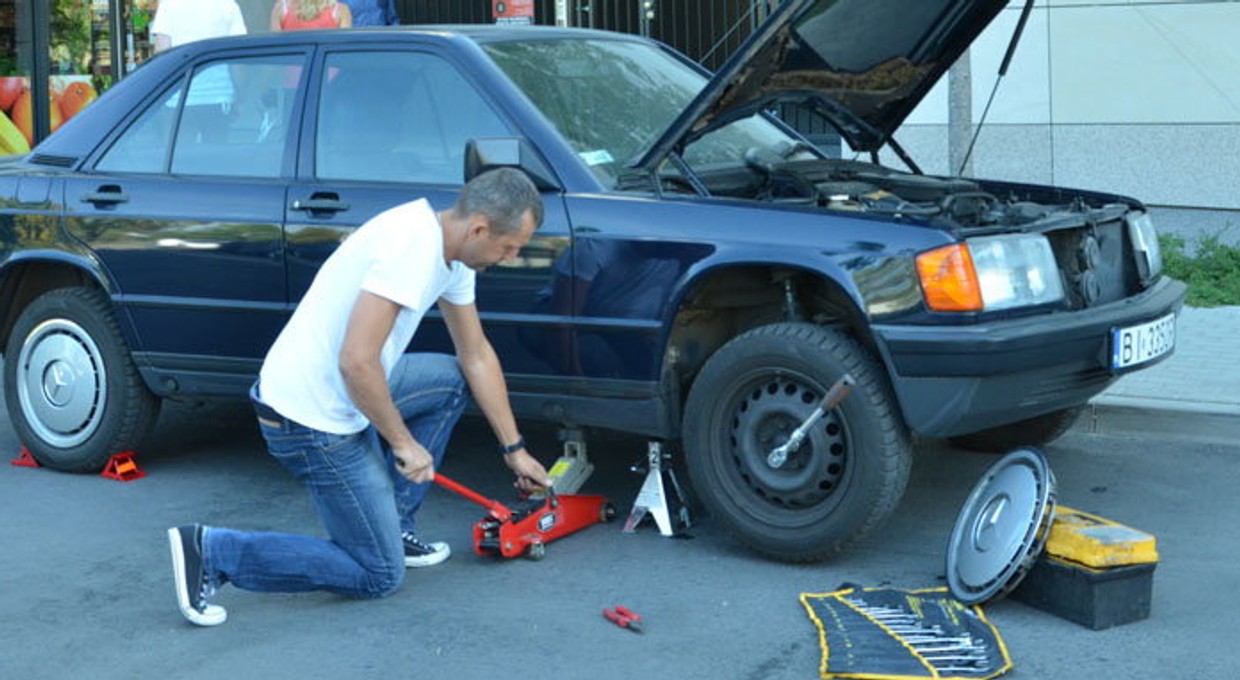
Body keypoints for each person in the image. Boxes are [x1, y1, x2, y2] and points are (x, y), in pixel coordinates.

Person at [166, 168, 552, 626]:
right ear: (480, 228)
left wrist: (515, 450)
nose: (510, 258)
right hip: (310, 420)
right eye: (509, 247)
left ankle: (394, 525)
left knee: (450, 380)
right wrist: (404, 443)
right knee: (378, 573)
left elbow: (476, 354)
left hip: (346, 390)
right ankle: (213, 552)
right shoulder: (411, 248)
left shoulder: (453, 252)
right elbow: (356, 360)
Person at [151, 0, 247, 53]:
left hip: (184, 83)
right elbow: (239, 51)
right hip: (224, 85)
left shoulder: (168, 4)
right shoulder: (229, 4)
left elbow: (162, 49)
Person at [271, 0, 353, 30]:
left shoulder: (280, 8)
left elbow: (274, 51)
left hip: (289, 67)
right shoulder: (340, 10)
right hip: (329, 68)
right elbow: (343, 55)